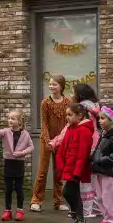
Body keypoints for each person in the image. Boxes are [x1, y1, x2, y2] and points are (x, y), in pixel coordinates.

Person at [30, 75, 69, 212]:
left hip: (61, 141)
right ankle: (36, 200)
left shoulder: (67, 103)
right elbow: (44, 123)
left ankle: (58, 201)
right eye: (50, 84)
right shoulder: (45, 102)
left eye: (55, 84)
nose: (51, 87)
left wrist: (61, 140)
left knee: (58, 171)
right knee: (42, 171)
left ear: (61, 86)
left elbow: (68, 123)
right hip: (46, 140)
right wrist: (48, 141)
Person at [56, 102, 94, 223]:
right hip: (68, 167)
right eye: (66, 115)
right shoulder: (70, 128)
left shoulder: (84, 131)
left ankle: (79, 219)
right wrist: (60, 165)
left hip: (76, 170)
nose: (67, 117)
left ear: (80, 116)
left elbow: (82, 154)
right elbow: (62, 148)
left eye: (70, 115)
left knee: (69, 192)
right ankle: (79, 219)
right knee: (72, 193)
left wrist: (77, 172)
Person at [0, 110, 34, 222]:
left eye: (13, 118)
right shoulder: (5, 132)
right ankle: (7, 210)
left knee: (19, 188)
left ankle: (20, 211)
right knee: (8, 188)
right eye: (9, 118)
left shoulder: (25, 134)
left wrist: (22, 153)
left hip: (19, 164)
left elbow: (31, 147)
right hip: (9, 163)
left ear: (19, 121)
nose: (9, 120)